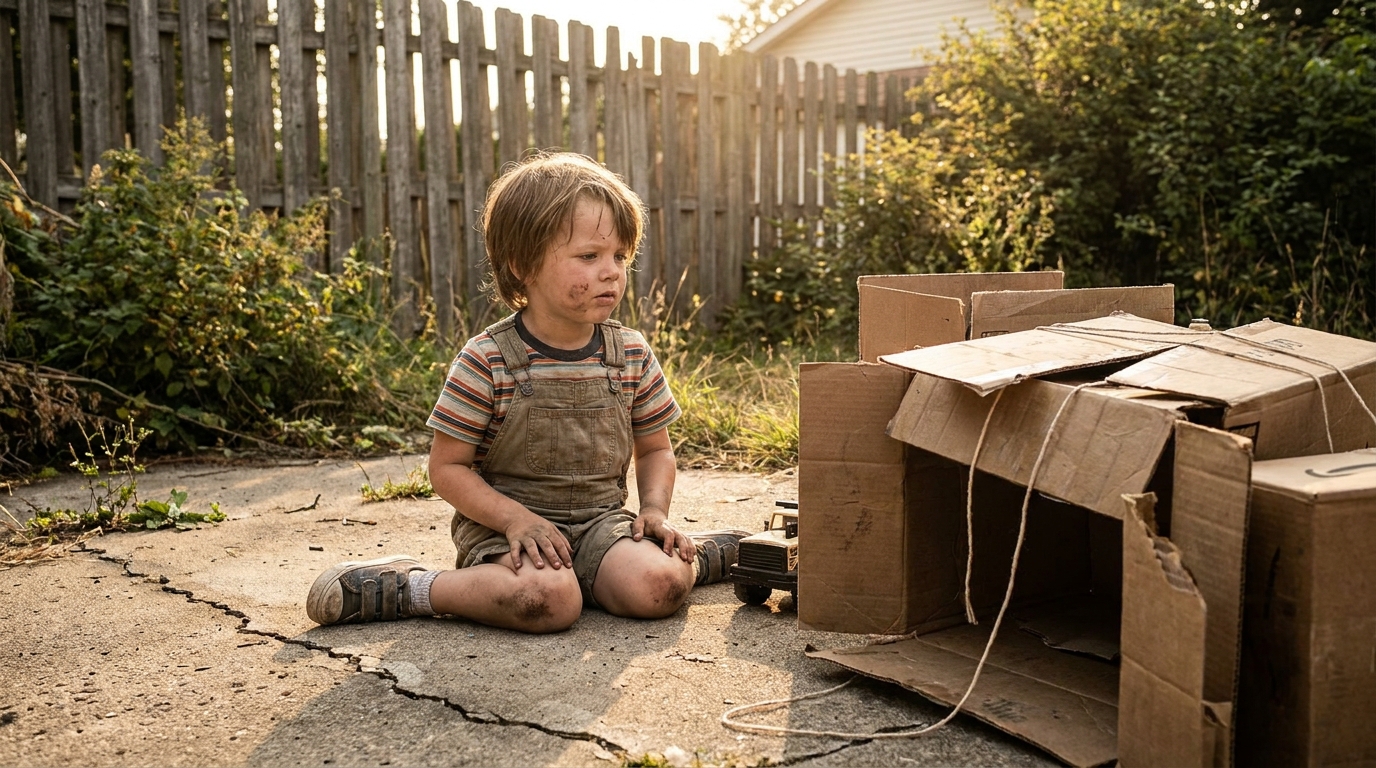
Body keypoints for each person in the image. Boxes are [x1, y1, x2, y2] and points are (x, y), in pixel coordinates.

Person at [305, 152, 746, 632]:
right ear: (523, 265)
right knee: (546, 601)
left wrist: (654, 511)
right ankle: (408, 586)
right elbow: (447, 468)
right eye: (588, 256)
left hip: (602, 527)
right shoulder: (488, 359)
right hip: (506, 531)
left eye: (619, 256)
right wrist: (516, 520)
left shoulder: (631, 355)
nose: (612, 272)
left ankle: (694, 555)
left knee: (661, 586)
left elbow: (656, 449)